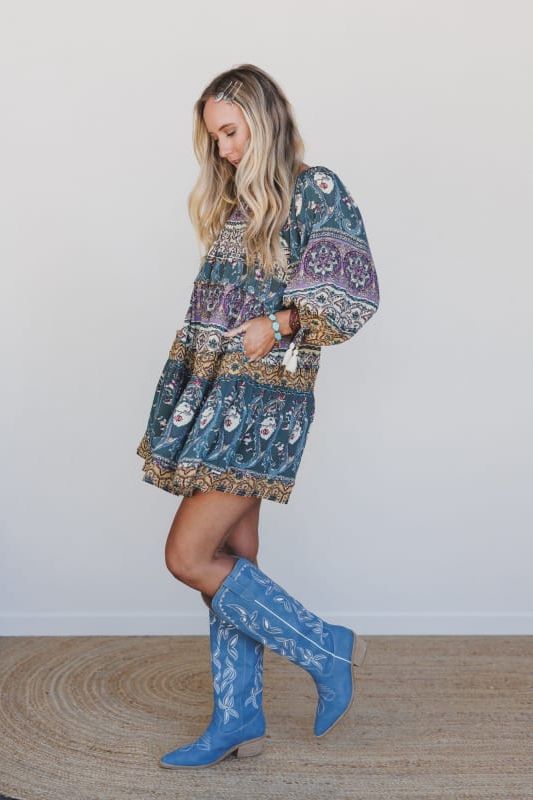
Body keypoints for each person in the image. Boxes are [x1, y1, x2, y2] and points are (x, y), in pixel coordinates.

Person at [136, 63, 379, 769]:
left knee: (187, 556)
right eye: (215, 138)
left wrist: (280, 323)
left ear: (264, 120)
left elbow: (355, 290)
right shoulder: (240, 205)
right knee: (233, 557)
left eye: (232, 132)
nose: (224, 149)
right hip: (220, 401)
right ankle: (237, 718)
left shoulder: (315, 189)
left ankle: (327, 648)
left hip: (264, 405)